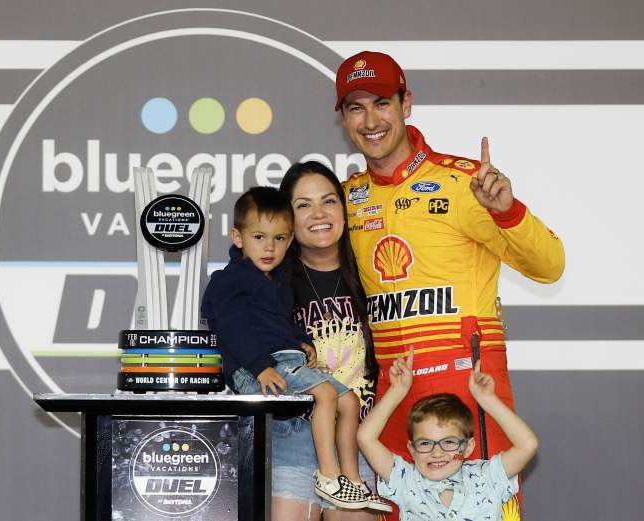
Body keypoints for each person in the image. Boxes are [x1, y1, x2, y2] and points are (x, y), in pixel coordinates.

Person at [334, 50, 565, 515]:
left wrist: (506, 211)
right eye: (356, 107)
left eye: (382, 102)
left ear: (407, 103)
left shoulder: (464, 184)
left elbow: (550, 266)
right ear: (342, 118)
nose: (370, 120)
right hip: (394, 387)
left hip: (466, 380)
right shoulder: (347, 198)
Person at [201, 186, 369, 510]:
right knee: (327, 395)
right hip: (256, 370)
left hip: (286, 361)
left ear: (290, 240)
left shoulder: (275, 281)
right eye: (259, 237)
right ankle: (329, 476)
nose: (269, 247)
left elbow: (278, 324)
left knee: (349, 400)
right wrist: (259, 366)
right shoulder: (228, 280)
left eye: (279, 239)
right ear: (238, 238)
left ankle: (351, 478)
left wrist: (301, 341)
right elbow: (232, 330)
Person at [271, 162, 391, 520]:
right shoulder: (271, 283)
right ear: (286, 218)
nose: (318, 214)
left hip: (359, 448)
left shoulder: (374, 272)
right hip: (292, 440)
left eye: (329, 201)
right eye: (303, 205)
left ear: (344, 208)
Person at [358, 347, 538, 520]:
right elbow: (365, 438)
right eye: (425, 443)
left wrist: (488, 400)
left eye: (449, 442)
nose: (436, 453)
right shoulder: (406, 480)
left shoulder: (487, 476)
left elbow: (528, 445)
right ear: (411, 449)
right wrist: (396, 391)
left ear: (468, 447)